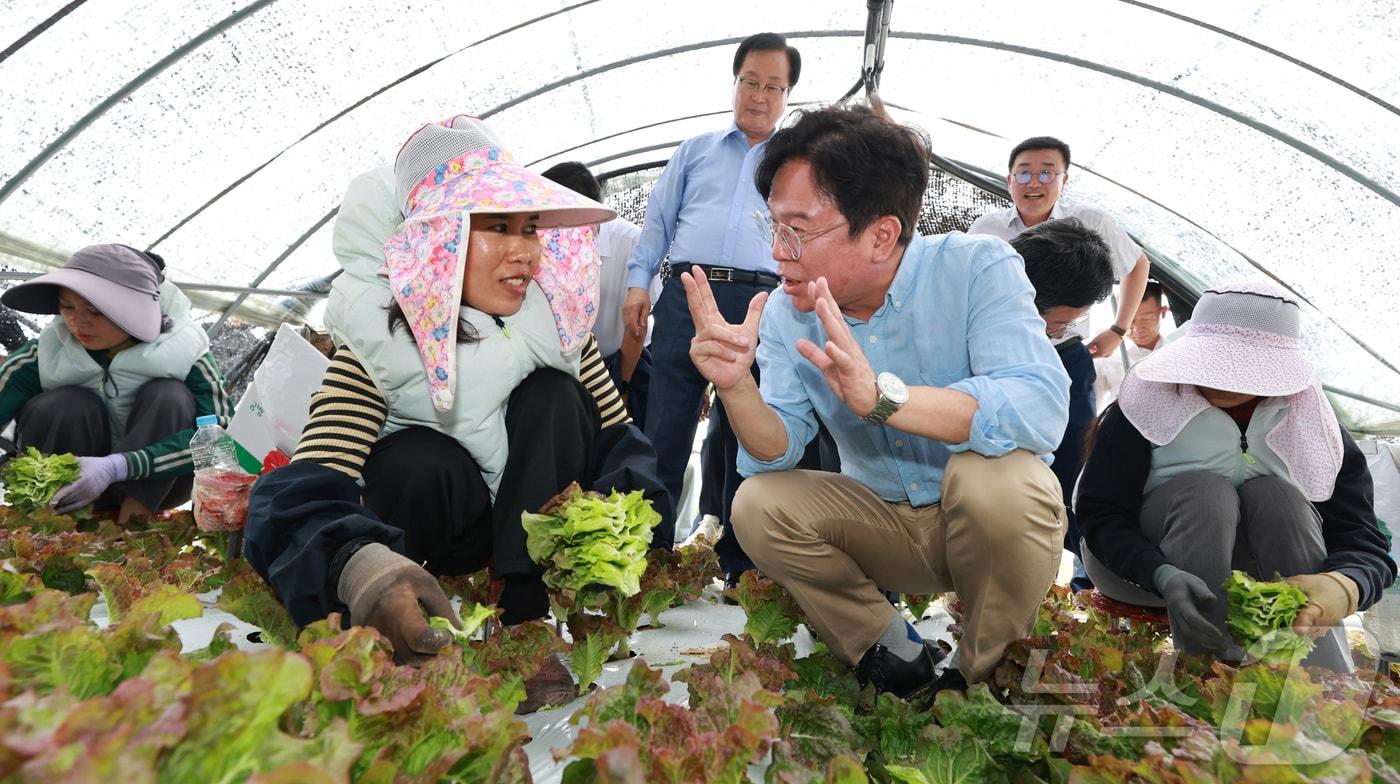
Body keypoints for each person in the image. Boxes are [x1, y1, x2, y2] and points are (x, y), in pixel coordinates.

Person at [244, 117, 672, 711]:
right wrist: (361, 567)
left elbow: (619, 439)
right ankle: (426, 613)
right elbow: (303, 489)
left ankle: (524, 618)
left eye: (529, 228)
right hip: (440, 545)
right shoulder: (381, 342)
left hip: (531, 545)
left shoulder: (559, 327)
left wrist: (623, 522)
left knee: (554, 394)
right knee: (420, 458)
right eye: (498, 227)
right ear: (436, 241)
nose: (525, 250)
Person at [688, 105, 1071, 698]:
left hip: (986, 531)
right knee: (756, 502)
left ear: (882, 234)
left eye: (798, 229)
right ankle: (893, 654)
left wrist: (885, 400)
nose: (777, 252)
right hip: (885, 524)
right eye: (772, 226)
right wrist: (736, 387)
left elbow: (1039, 408)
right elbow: (776, 452)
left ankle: (982, 677)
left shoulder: (976, 267)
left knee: (999, 480)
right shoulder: (789, 314)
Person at [1077, 280, 1394, 671]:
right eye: (1213, 363)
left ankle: (1317, 684)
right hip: (1143, 569)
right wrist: (1160, 572)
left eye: (1243, 369)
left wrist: (1343, 586)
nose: (1223, 379)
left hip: (1259, 573)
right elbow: (1100, 513)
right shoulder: (1144, 406)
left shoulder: (1315, 427)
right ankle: (1206, 671)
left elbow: (1365, 541)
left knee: (1278, 496)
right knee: (1206, 494)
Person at [621, 33, 799, 568]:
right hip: (687, 293)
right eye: (751, 82)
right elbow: (658, 222)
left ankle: (743, 562)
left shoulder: (796, 162)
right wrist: (638, 282)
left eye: (774, 86)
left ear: (788, 95)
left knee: (749, 430)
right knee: (666, 425)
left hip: (763, 303)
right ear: (735, 82)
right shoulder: (694, 150)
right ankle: (648, 556)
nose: (760, 95)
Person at [969, 136, 1151, 591]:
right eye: (1024, 172)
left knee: (1073, 459)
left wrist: (1119, 329)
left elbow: (1137, 264)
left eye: (1047, 171)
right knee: (999, 456)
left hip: (1066, 357)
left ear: (1064, 179)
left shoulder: (1089, 222)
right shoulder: (986, 229)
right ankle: (1004, 568)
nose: (1035, 182)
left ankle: (1089, 573)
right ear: (1009, 179)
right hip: (1002, 362)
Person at [0, 244, 232, 525]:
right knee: (64, 404)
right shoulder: (48, 351)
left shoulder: (187, 353)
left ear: (137, 309)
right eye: (66, 307)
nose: (77, 321)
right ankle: (57, 521)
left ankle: (131, 528)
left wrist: (119, 465)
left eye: (96, 311)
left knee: (169, 396)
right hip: (68, 483)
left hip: (156, 485)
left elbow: (219, 436)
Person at [1009, 218, 1116, 591]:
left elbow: (1072, 459)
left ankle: (1087, 574)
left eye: (1070, 322)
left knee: (1072, 476)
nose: (1060, 329)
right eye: (1057, 322)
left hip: (1066, 365)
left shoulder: (1067, 359)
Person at [540, 161, 659, 426]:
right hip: (567, 363)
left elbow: (636, 328)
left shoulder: (632, 243)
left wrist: (623, 388)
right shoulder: (540, 243)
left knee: (629, 434)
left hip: (627, 358)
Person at [1094, 280, 1171, 410]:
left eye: (1146, 319)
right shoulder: (1106, 356)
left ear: (1163, 312)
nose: (1137, 328)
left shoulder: (1177, 353)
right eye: (1130, 320)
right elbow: (1092, 410)